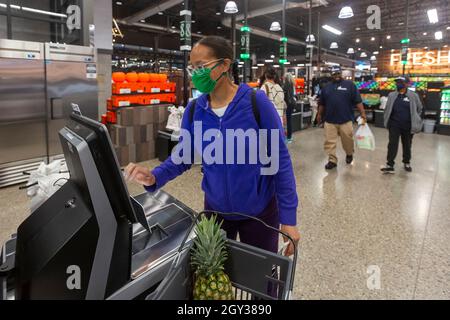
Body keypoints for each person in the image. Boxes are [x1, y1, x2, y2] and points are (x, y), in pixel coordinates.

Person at [125, 36, 300, 256]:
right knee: (215, 282)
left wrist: (289, 220)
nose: (195, 73)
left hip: (259, 214)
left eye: (201, 66)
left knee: (260, 284)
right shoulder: (194, 110)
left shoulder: (257, 103)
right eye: (192, 68)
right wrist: (154, 176)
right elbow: (184, 155)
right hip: (215, 213)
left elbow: (280, 162)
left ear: (225, 64)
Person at [317, 68, 367, 170]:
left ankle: (349, 153)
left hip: (346, 119)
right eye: (334, 74)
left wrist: (363, 113)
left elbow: (358, 101)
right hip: (329, 120)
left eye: (338, 73)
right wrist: (318, 114)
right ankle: (332, 160)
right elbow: (322, 103)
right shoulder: (326, 87)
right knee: (329, 142)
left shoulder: (350, 85)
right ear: (332, 75)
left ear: (341, 74)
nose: (336, 76)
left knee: (348, 140)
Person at [381, 77, 423, 173]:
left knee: (407, 145)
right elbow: (388, 108)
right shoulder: (392, 95)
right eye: (397, 82)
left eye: (401, 82)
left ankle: (406, 162)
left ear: (407, 84)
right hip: (394, 124)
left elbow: (419, 109)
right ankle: (390, 164)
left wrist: (415, 119)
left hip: (408, 125)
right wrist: (387, 120)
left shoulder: (413, 96)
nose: (398, 84)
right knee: (392, 144)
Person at [260, 67, 287, 137]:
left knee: (265, 146)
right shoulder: (280, 88)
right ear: (274, 76)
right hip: (279, 122)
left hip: (269, 123)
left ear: (265, 75)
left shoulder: (264, 87)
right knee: (275, 146)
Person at [283, 73, 296, 143]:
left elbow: (284, 95)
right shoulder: (292, 84)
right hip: (292, 103)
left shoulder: (286, 85)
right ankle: (289, 137)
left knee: (286, 121)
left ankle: (288, 137)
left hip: (288, 104)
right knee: (289, 120)